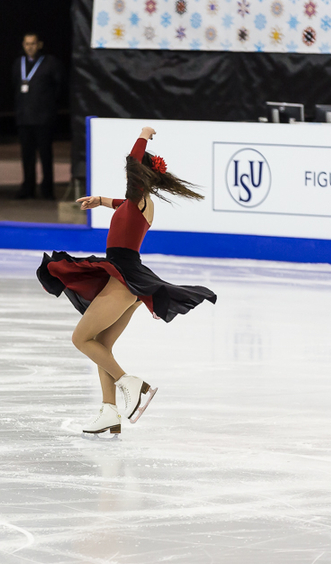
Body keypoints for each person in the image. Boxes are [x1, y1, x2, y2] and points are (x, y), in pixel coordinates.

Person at [36, 127, 217, 436]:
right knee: (101, 344)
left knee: (80, 339)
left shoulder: (139, 198)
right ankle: (109, 412)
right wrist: (101, 200)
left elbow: (132, 165)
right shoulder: (139, 202)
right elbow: (123, 205)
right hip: (128, 277)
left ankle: (131, 384)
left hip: (123, 278)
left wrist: (144, 135)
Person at [12, 32, 63, 200]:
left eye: (33, 43)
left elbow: (58, 87)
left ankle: (47, 189)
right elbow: (14, 87)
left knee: (45, 155)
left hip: (43, 118)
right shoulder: (18, 63)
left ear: (39, 44)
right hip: (24, 118)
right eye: (27, 44)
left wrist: (49, 107)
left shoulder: (50, 63)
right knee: (27, 155)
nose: (30, 47)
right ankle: (28, 187)